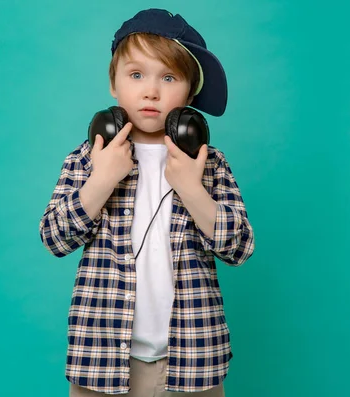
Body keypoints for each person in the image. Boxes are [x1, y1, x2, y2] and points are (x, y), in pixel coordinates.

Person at [39, 8, 255, 397]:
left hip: (192, 360)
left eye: (168, 77)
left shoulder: (209, 163)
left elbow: (240, 248)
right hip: (102, 360)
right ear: (113, 82)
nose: (150, 91)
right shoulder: (88, 157)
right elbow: (54, 239)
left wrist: (191, 188)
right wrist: (102, 179)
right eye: (136, 75)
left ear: (190, 94)